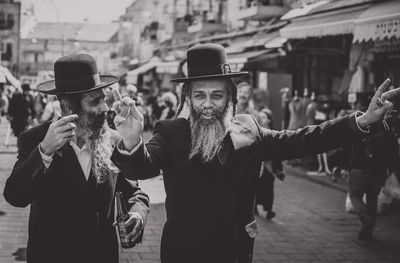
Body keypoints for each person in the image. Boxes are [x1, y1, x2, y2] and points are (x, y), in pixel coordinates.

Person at [111, 43, 400, 263]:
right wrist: (131, 142)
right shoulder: (171, 130)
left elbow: (304, 140)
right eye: (199, 95)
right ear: (188, 98)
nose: (208, 104)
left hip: (236, 251)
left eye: (216, 95)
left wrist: (360, 122)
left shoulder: (249, 128)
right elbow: (141, 168)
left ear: (230, 98)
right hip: (185, 252)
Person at [3, 54, 149, 263]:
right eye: (95, 101)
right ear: (68, 106)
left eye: (104, 99)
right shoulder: (35, 139)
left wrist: (137, 214)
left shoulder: (113, 139)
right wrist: (45, 151)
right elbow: (15, 195)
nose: (105, 108)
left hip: (101, 255)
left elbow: (134, 191)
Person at [255, 108, 285, 220]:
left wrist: (280, 169)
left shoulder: (274, 132)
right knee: (256, 187)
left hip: (270, 167)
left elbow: (279, 152)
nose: (261, 119)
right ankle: (254, 207)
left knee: (269, 188)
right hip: (258, 166)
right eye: (260, 117)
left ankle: (269, 210)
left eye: (263, 117)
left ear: (269, 120)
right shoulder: (256, 131)